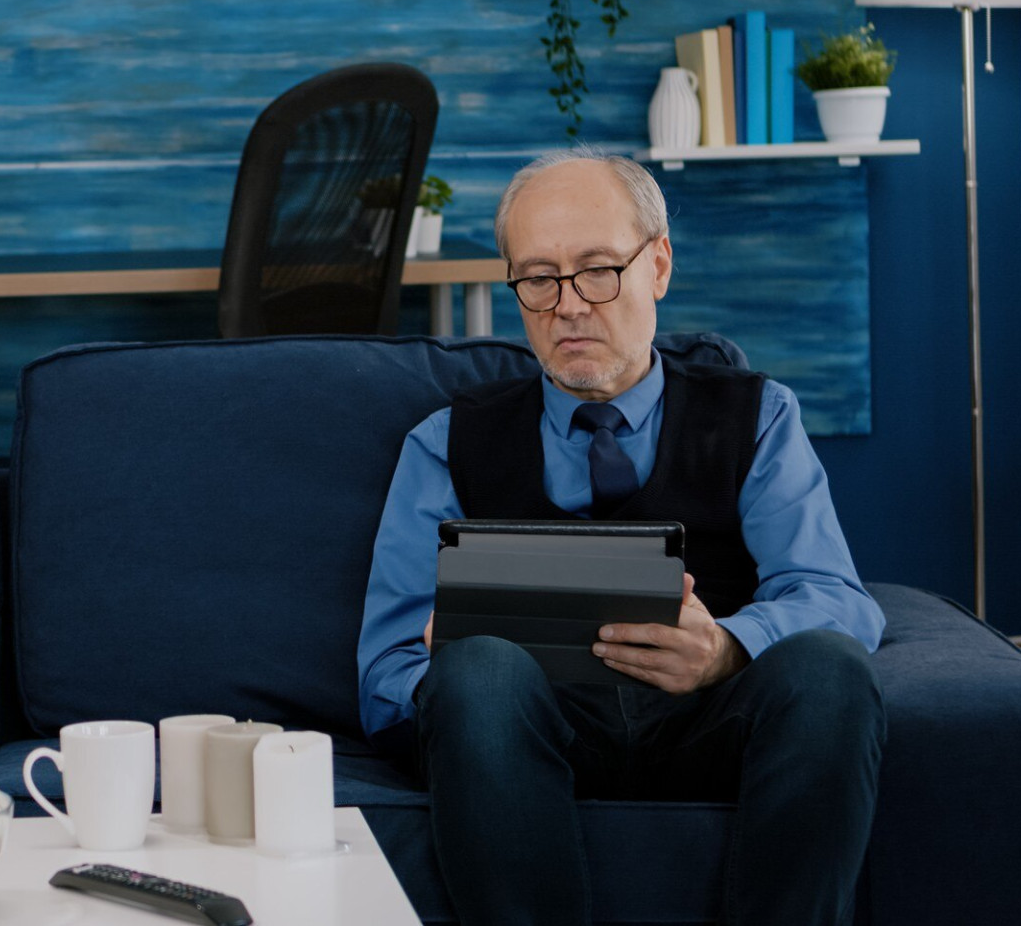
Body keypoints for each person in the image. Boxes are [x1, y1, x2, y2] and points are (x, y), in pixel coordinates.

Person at [357, 146, 887, 926]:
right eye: (538, 278)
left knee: (829, 668)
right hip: (527, 729)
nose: (568, 305)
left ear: (658, 266)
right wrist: (446, 674)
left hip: (713, 723)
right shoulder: (444, 443)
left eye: (598, 269)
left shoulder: (759, 417)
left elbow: (838, 599)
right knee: (479, 676)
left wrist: (727, 650)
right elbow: (383, 673)